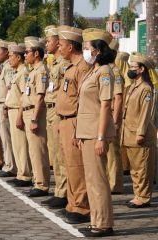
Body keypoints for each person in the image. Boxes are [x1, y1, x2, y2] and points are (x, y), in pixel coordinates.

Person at [76, 28, 116, 237]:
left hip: (95, 133)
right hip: (87, 132)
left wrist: (101, 137)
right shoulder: (93, 71)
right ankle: (97, 221)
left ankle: (103, 224)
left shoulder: (105, 72)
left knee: (98, 179)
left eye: (87, 48)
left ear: (98, 50)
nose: (85, 51)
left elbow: (105, 105)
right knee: (91, 179)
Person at [56, 25, 90, 224]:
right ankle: (72, 203)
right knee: (69, 165)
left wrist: (78, 128)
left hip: (75, 121)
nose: (59, 48)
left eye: (61, 45)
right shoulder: (70, 67)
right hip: (65, 121)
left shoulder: (82, 68)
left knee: (77, 166)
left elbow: (83, 100)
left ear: (70, 47)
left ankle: (82, 206)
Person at [121, 52, 157, 208]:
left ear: (142, 69)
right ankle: (138, 195)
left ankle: (143, 197)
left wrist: (141, 132)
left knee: (142, 168)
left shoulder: (146, 89)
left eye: (133, 67)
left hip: (139, 134)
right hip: (128, 132)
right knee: (134, 169)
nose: (130, 69)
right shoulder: (132, 86)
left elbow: (145, 113)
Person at [41, 25, 69, 209]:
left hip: (59, 110)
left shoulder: (64, 64)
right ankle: (59, 189)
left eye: (49, 41)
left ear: (58, 43)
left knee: (61, 154)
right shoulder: (53, 63)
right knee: (54, 152)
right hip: (50, 109)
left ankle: (64, 192)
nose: (46, 44)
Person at [21, 36, 50, 197]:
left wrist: (34, 118)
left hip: (34, 112)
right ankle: (37, 180)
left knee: (38, 150)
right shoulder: (33, 71)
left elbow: (40, 97)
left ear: (37, 54)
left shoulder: (41, 71)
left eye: (27, 52)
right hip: (28, 111)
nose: (25, 55)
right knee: (33, 150)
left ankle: (42, 184)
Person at [4, 43, 33, 187]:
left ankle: (25, 175)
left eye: (11, 56)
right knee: (16, 144)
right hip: (12, 110)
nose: (9, 59)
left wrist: (20, 116)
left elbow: (24, 96)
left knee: (21, 145)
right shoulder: (17, 73)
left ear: (18, 57)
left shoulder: (23, 73)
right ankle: (21, 172)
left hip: (17, 111)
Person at [0, 39, 17, 175]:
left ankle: (10, 166)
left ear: (6, 52)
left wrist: (6, 106)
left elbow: (9, 87)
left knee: (7, 138)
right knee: (5, 138)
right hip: (0, 105)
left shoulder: (9, 67)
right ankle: (8, 164)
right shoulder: (5, 66)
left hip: (4, 105)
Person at [107, 39, 124, 194]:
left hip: (112, 115)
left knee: (113, 152)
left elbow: (118, 97)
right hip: (104, 115)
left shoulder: (115, 72)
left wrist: (116, 120)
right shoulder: (106, 70)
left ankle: (115, 184)